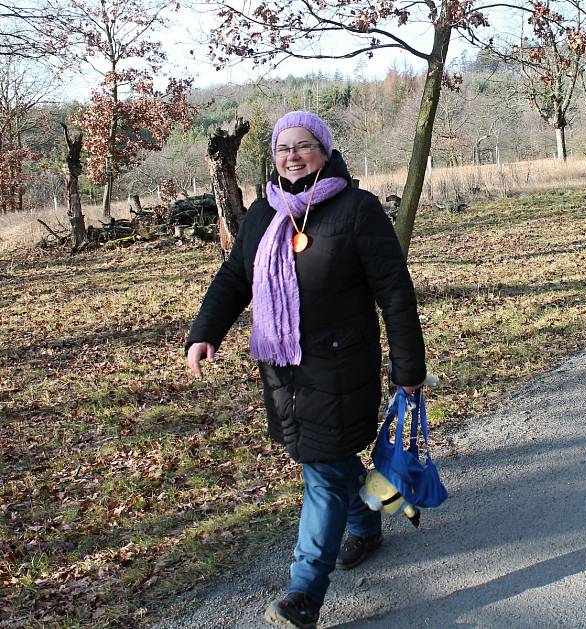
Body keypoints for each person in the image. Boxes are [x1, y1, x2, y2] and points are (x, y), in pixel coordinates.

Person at [185, 111, 426, 629]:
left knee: (320, 470)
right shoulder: (263, 213)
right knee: (326, 459)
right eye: (282, 148)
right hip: (281, 369)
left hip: (340, 364)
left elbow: (395, 293)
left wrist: (408, 367)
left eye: (303, 146)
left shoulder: (357, 210)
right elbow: (235, 277)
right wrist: (206, 331)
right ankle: (369, 518)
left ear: (324, 149)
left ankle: (303, 594)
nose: (292, 156)